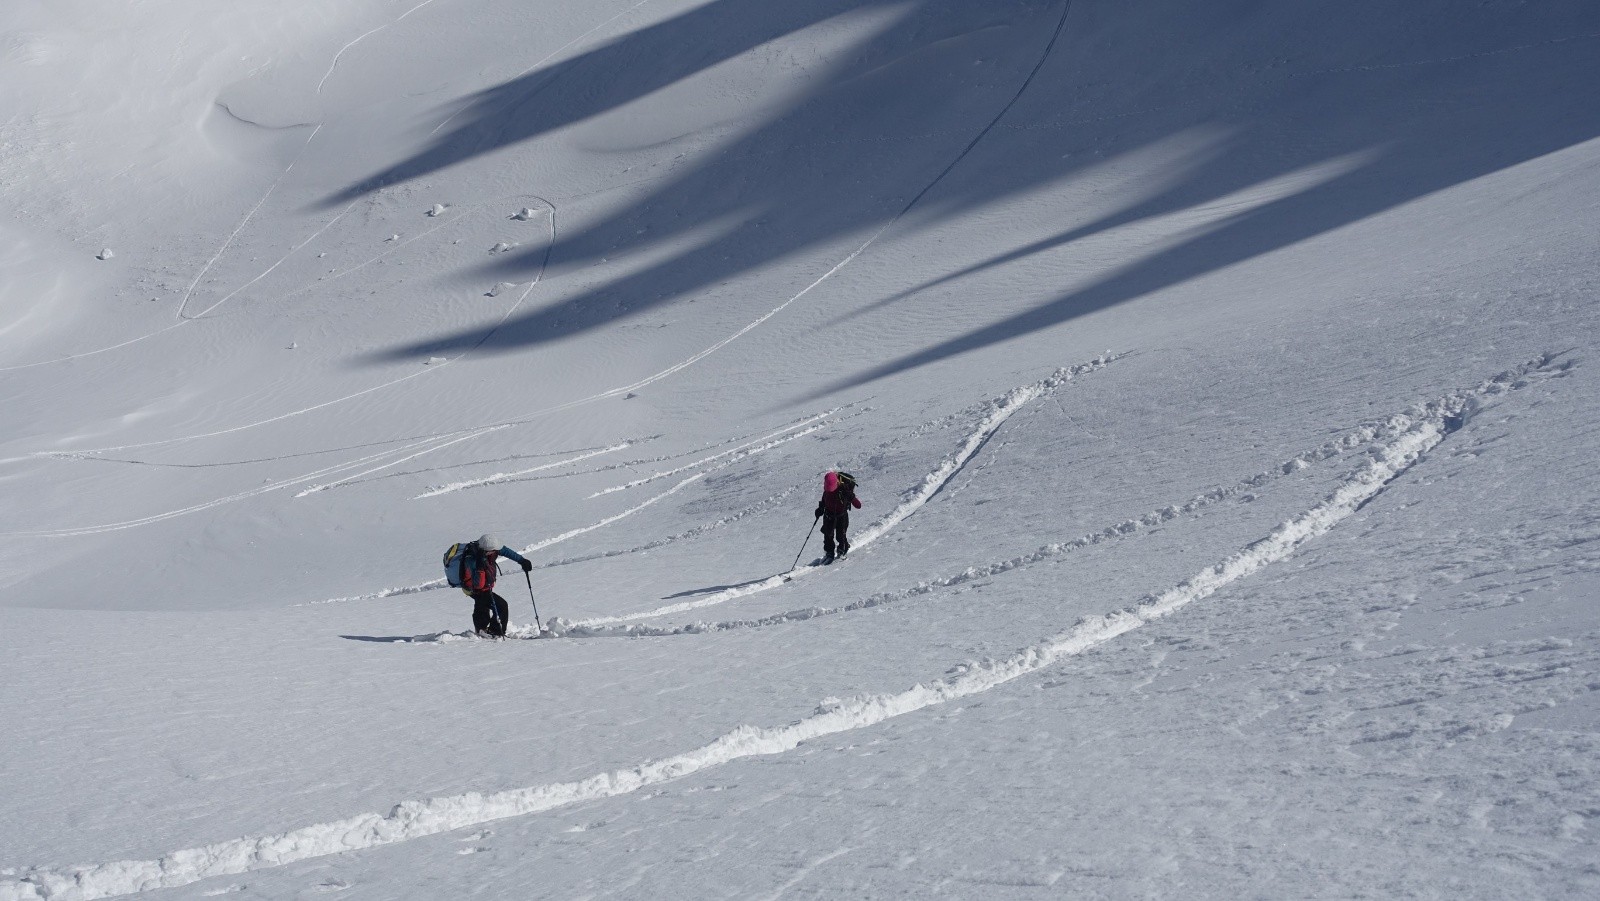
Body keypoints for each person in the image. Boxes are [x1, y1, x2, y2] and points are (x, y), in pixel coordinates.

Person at [452, 533, 531, 637]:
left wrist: (521, 560)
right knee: (501, 605)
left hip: (484, 587)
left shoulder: (490, 550)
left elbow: (505, 550)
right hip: (473, 589)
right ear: (487, 551)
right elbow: (478, 585)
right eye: (494, 550)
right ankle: (494, 632)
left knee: (482, 605)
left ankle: (482, 630)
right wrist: (480, 567)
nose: (497, 551)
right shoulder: (471, 560)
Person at [813, 471, 862, 564]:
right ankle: (829, 552)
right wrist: (820, 509)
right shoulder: (827, 491)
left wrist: (851, 497)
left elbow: (858, 505)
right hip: (829, 516)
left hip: (841, 517)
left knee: (841, 535)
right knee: (828, 535)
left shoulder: (844, 490)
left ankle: (842, 549)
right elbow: (824, 500)